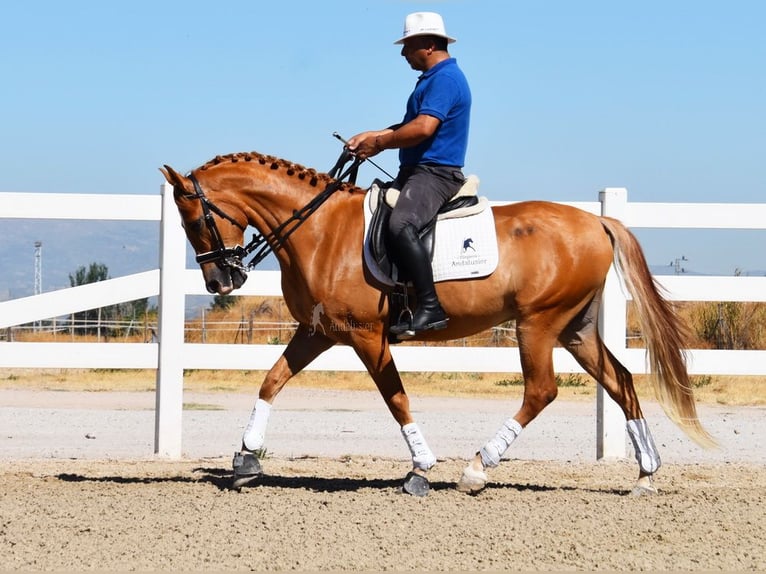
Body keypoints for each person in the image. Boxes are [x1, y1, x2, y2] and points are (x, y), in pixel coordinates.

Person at [347, 11, 471, 339]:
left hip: (435, 174)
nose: (404, 54)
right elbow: (408, 125)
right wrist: (372, 135)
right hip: (415, 171)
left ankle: (430, 306)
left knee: (401, 224)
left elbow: (423, 128)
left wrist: (379, 143)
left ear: (429, 45)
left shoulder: (445, 79)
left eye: (408, 46)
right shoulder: (431, 80)